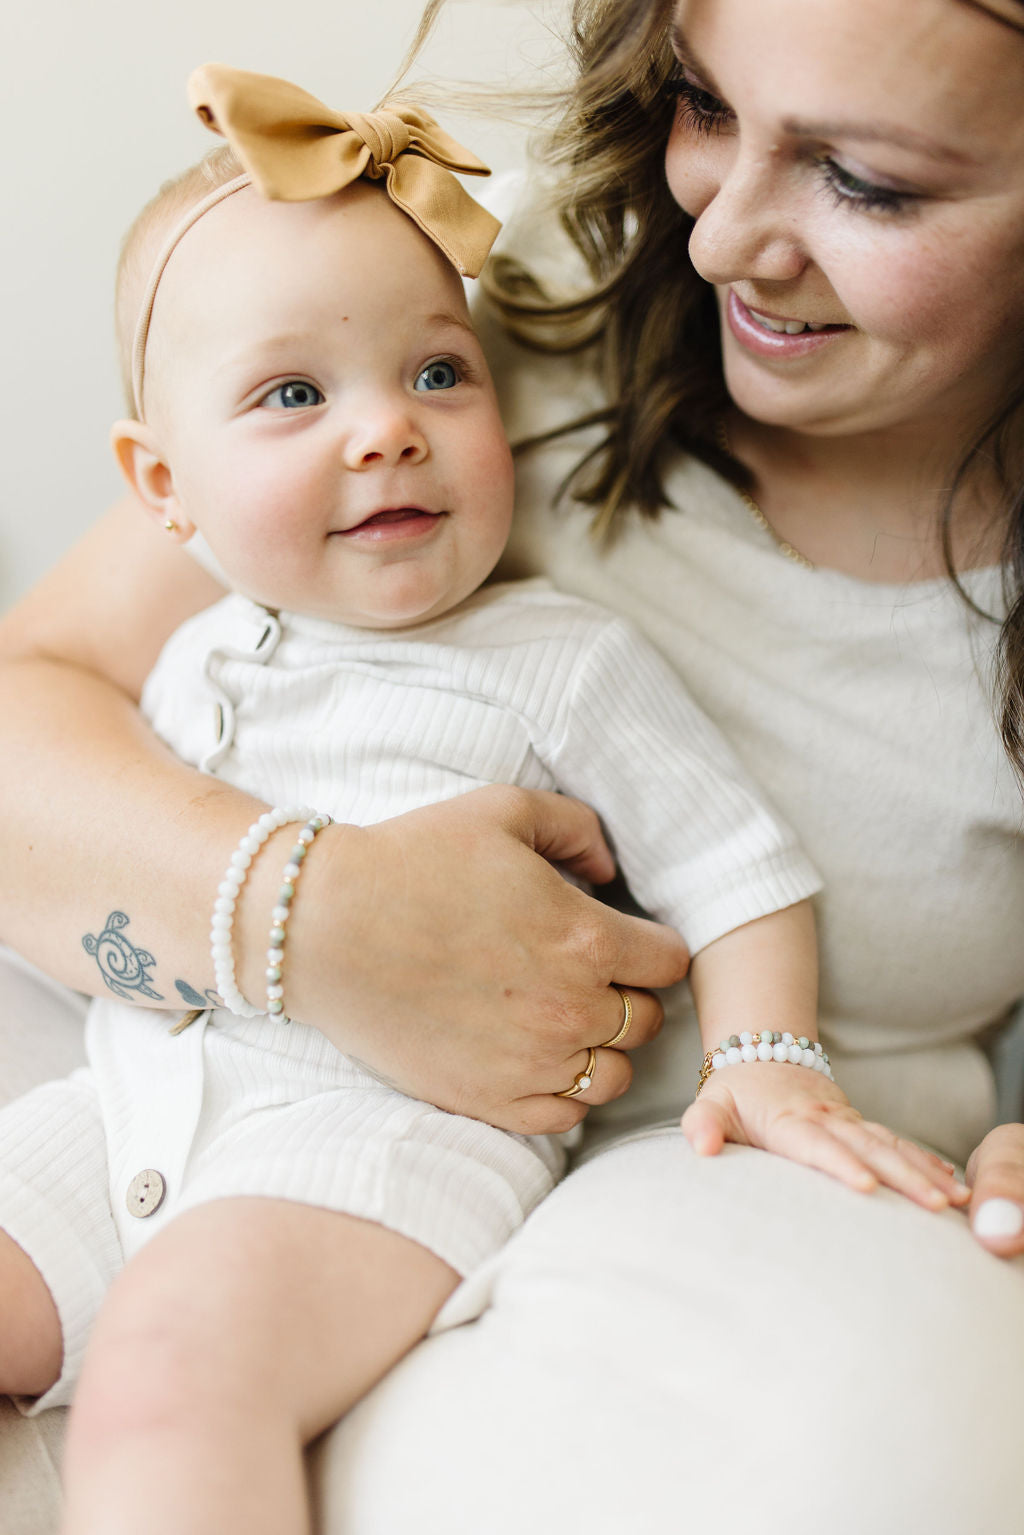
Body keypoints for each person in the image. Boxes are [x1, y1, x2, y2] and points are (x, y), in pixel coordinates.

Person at [1, 1, 1023, 1532]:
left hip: (444, 1167)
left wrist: (766, 1057)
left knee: (174, 1372)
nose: (723, 237)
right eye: (703, 107)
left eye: (866, 183)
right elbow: (39, 703)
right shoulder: (461, 321)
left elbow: (741, 864)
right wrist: (305, 910)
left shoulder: (556, 641)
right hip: (166, 1085)